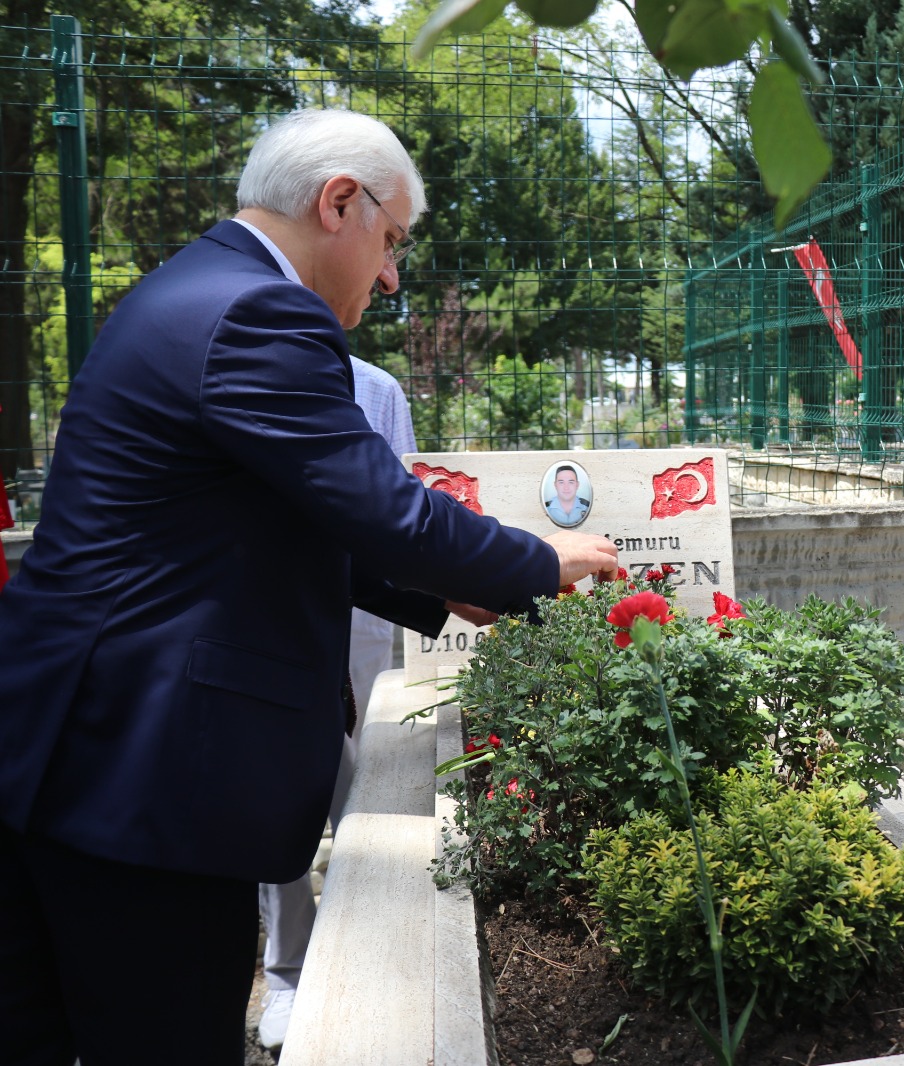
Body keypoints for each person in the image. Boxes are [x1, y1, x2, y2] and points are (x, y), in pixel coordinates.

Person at [0, 108, 618, 1065]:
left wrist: (441, 594)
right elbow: (379, 507)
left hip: (67, 759)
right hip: (139, 785)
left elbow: (284, 523)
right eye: (392, 240)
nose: (390, 275)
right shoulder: (258, 311)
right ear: (340, 202)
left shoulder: (190, 288)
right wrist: (539, 564)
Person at [254, 354, 417, 1051]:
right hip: (269, 613)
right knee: (276, 792)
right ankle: (288, 967)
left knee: (364, 782)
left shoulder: (376, 389)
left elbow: (408, 509)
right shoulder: (251, 370)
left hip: (361, 613)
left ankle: (371, 951)